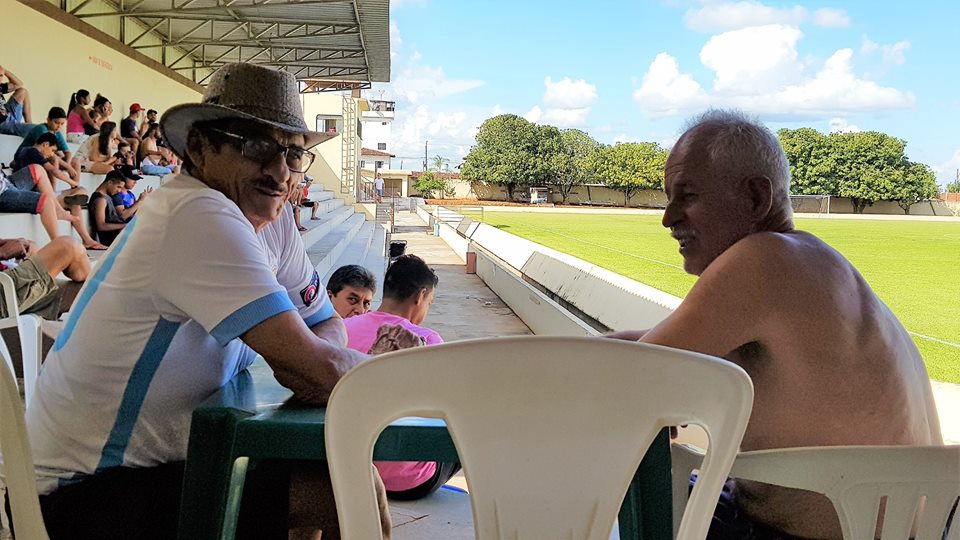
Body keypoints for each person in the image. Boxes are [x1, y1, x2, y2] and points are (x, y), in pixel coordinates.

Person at [26, 62, 405, 540]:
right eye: (256, 146)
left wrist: (312, 362)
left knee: (337, 474)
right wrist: (396, 377)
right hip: (85, 494)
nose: (279, 172)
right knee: (343, 489)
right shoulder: (197, 212)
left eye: (292, 154)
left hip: (168, 466)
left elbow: (325, 325)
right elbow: (315, 367)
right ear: (201, 148)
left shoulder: (271, 220)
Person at [607, 109, 943, 539]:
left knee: (619, 493)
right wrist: (632, 363)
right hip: (919, 529)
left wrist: (649, 388)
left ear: (755, 198)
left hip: (789, 535)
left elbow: (627, 380)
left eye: (687, 196)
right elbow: (648, 351)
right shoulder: (818, 267)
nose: (668, 218)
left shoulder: (763, 260)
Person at [342, 254, 458, 501]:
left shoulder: (341, 330)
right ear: (420, 296)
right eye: (429, 302)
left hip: (349, 471)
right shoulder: (428, 341)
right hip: (408, 482)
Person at [0, 236, 90, 320]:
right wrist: (2, 252)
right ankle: (94, 278)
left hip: (6, 279)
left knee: (87, 292)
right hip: (4, 285)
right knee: (68, 247)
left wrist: (21, 244)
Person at [17, 107, 82, 187]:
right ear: (48, 120)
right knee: (53, 159)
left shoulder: (57, 133)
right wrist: (68, 166)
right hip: (27, 158)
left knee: (75, 161)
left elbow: (67, 152)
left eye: (62, 124)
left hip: (43, 157)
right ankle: (52, 189)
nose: (59, 126)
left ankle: (75, 188)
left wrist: (68, 164)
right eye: (56, 122)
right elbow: (49, 153)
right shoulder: (41, 129)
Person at [87, 170, 129, 246]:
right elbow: (101, 226)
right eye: (118, 187)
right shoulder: (100, 200)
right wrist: (125, 226)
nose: (119, 191)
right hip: (112, 241)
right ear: (110, 182)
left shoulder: (107, 196)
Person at [0, 65, 34, 137]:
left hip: (8, 115)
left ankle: (29, 122)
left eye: (1, 76)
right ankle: (30, 128)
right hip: (2, 124)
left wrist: (4, 71)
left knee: (23, 91)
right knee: (34, 128)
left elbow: (18, 84)